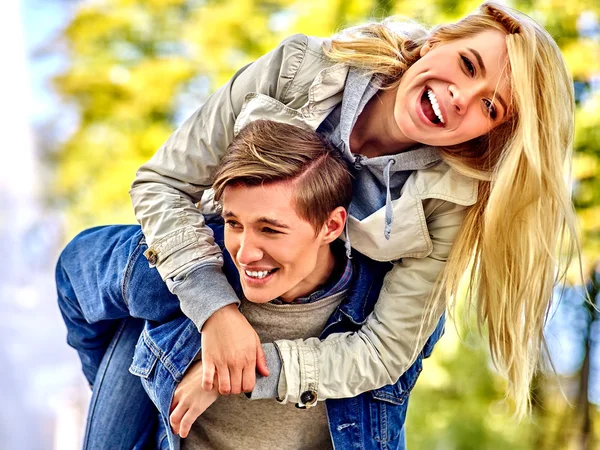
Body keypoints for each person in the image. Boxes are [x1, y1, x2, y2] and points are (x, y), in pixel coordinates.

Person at [127, 0, 577, 421]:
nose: (463, 96)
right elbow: (162, 182)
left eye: (489, 106)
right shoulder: (299, 70)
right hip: (207, 281)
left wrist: (247, 370)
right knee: (102, 264)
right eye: (468, 64)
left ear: (489, 133)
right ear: (438, 41)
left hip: (321, 346)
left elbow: (386, 349)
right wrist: (216, 312)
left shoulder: (449, 199)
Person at [57, 120, 443, 449]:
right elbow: (75, 270)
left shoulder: (390, 312)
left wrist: (232, 376)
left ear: (332, 225)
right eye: (234, 223)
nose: (244, 252)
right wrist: (111, 387)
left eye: (270, 230)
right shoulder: (182, 268)